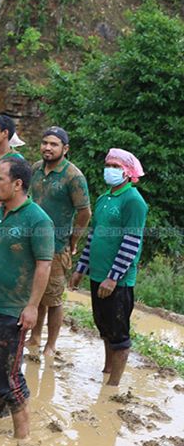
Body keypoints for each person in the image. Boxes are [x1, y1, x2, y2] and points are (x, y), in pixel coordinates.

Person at [0, 158, 53, 439]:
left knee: (10, 378)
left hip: (13, 311)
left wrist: (31, 307)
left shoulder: (39, 220)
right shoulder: (2, 213)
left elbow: (44, 266)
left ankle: (23, 439)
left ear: (18, 184)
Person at [70, 148, 148, 387]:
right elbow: (94, 235)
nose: (110, 170)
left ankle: (113, 385)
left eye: (116, 166)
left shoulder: (134, 201)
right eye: (108, 165)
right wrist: (80, 268)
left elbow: (131, 242)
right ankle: (107, 368)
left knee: (119, 333)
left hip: (118, 280)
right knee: (103, 325)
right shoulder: (105, 198)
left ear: (127, 172)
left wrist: (113, 277)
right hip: (98, 273)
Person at [26, 127, 91, 356]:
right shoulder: (34, 168)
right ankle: (34, 336)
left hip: (57, 244)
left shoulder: (73, 176)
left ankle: (50, 344)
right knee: (35, 293)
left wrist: (73, 238)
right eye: (45, 143)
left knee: (53, 298)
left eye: (53, 144)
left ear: (65, 148)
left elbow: (84, 212)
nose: (47, 148)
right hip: (31, 242)